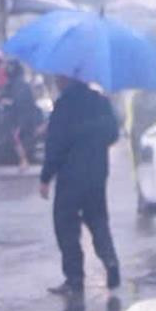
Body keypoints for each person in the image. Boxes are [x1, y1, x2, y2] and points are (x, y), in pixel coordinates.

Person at [39, 71, 121, 297]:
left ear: (67, 80)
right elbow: (113, 134)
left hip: (70, 177)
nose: (56, 82)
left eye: (58, 78)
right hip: (97, 173)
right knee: (98, 220)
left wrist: (46, 178)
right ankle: (111, 261)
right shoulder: (100, 102)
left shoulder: (64, 106)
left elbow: (56, 146)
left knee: (66, 226)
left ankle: (74, 279)